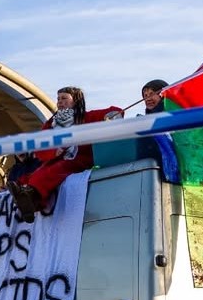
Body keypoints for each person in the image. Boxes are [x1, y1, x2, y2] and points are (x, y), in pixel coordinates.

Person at [7, 86, 122, 222]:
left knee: (54, 171)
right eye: (58, 99)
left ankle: (31, 199)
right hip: (55, 160)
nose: (60, 102)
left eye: (64, 98)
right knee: (37, 173)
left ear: (76, 101)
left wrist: (112, 115)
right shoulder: (51, 124)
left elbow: (113, 112)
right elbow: (41, 148)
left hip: (78, 160)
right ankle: (28, 200)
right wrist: (55, 150)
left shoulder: (85, 117)